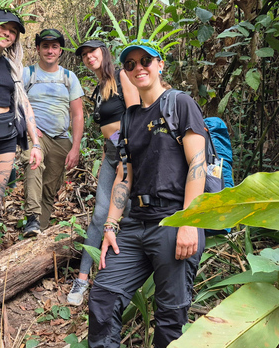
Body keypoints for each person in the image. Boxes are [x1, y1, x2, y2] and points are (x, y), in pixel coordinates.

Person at [87, 41, 208, 348]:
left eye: (146, 61)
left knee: (170, 316)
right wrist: (110, 226)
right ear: (125, 72)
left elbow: (198, 164)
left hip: (173, 222)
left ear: (160, 65)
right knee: (103, 298)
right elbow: (124, 173)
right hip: (135, 225)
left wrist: (189, 221)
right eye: (131, 64)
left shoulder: (180, 103)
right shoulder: (130, 117)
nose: (138, 68)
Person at [66, 40, 138, 306]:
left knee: (126, 213)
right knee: (99, 215)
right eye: (84, 55)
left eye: (92, 52)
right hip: (110, 155)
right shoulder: (98, 88)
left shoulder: (121, 76)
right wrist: (111, 154)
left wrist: (127, 155)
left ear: (104, 52)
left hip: (128, 154)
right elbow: (107, 127)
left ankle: (122, 277)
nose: (88, 57)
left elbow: (135, 114)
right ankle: (82, 279)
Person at [0, 10, 43, 287]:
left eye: (13, 31)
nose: (8, 33)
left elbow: (24, 104)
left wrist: (35, 143)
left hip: (5, 135)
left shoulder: (12, 66)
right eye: (4, 27)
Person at [21, 28, 84, 235]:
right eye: (45, 46)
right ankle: (32, 218)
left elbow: (77, 114)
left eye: (54, 47)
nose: (50, 51)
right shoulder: (27, 74)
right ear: (37, 49)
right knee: (33, 163)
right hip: (35, 135)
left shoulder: (69, 77)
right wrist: (30, 129)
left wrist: (75, 148)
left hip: (60, 139)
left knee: (49, 188)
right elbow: (16, 104)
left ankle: (38, 232)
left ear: (60, 51)